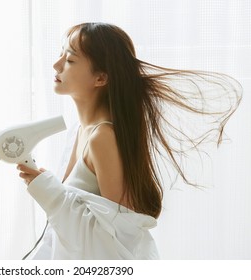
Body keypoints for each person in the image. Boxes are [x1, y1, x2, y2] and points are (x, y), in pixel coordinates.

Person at [16, 22, 242, 259]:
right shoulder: (80, 131)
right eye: (60, 54)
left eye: (70, 60)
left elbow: (118, 238)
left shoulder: (102, 137)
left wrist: (48, 190)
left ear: (101, 78)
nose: (56, 64)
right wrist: (45, 186)